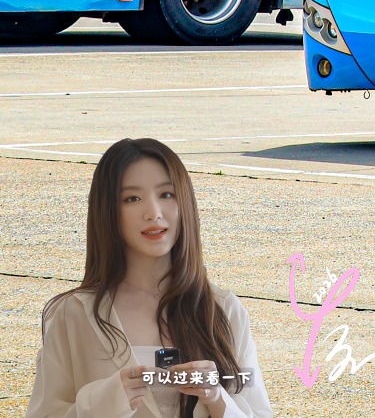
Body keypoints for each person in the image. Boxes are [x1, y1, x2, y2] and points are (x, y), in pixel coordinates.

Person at [30, 138, 274, 418]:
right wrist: (103, 402)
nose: (153, 213)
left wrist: (218, 398)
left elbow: (259, 412)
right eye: (132, 198)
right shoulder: (73, 314)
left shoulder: (224, 310)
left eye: (166, 194)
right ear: (107, 211)